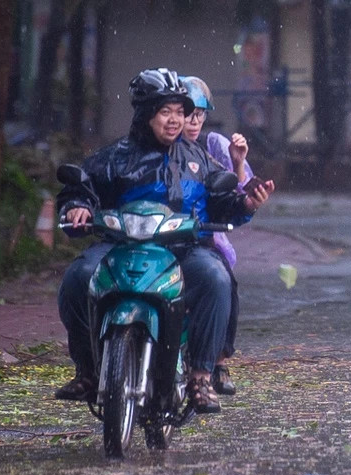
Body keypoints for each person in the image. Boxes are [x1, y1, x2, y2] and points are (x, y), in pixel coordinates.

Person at [53, 68, 247, 414]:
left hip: (182, 250)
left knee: (216, 278)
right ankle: (87, 369)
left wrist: (245, 203)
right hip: (119, 246)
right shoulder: (112, 158)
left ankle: (201, 376)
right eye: (165, 112)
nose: (175, 121)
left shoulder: (196, 159)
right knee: (77, 278)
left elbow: (223, 201)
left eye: (180, 112)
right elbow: (80, 189)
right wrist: (78, 207)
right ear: (145, 114)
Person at [180, 76, 274, 395]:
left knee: (222, 284)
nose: (192, 121)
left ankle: (216, 362)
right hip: (161, 237)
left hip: (207, 235)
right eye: (186, 112)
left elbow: (237, 198)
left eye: (200, 114)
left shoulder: (213, 146)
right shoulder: (155, 149)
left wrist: (238, 164)